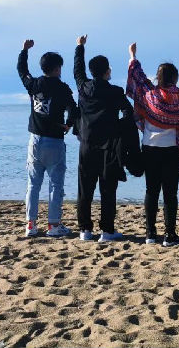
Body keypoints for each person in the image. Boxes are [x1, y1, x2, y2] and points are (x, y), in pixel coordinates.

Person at [126, 42, 179, 247]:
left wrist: (132, 55)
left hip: (149, 148)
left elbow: (138, 76)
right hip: (172, 150)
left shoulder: (148, 95)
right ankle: (170, 235)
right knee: (170, 193)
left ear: (158, 78)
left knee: (151, 191)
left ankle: (150, 234)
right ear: (175, 78)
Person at [72, 34, 137, 243]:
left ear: (92, 72)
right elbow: (128, 112)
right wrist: (118, 128)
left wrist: (80, 47)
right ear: (107, 71)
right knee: (108, 190)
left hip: (86, 145)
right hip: (109, 147)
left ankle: (85, 230)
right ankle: (107, 231)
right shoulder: (115, 92)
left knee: (85, 189)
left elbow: (77, 70)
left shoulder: (83, 88)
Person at [17, 39, 78, 238]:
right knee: (55, 185)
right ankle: (53, 225)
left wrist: (24, 50)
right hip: (54, 141)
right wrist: (69, 124)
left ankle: (31, 225)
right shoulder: (62, 88)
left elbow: (22, 70)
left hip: (35, 140)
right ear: (57, 68)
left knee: (33, 184)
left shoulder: (34, 84)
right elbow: (74, 109)